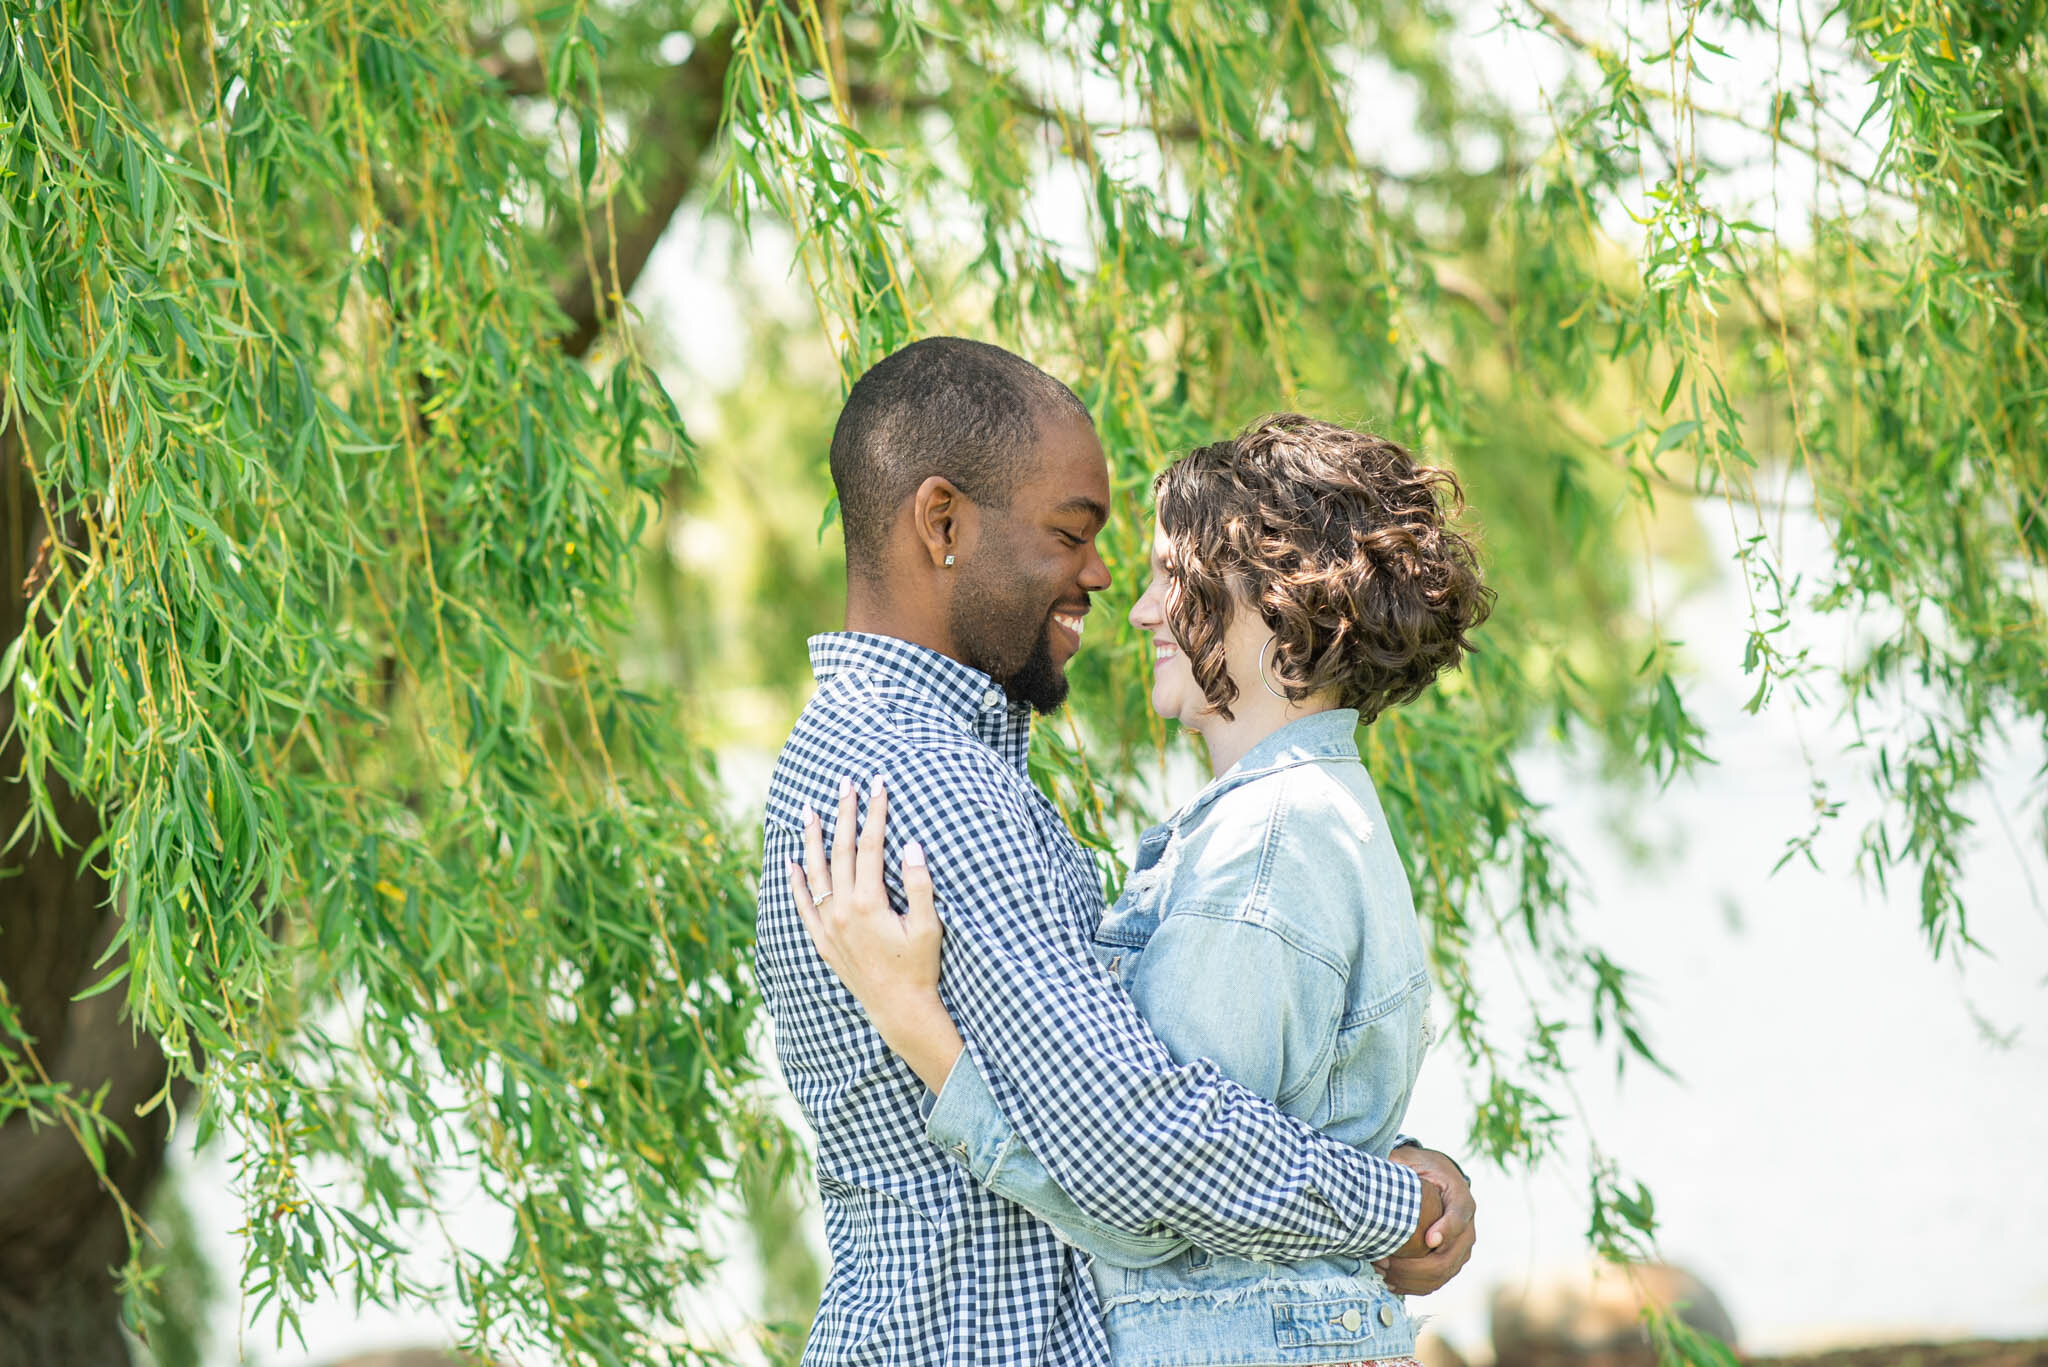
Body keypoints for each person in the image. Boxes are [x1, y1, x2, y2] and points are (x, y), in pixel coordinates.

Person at [753, 338, 1477, 1367]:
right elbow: (1139, 1144)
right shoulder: (926, 782)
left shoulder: (898, 756)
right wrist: (1394, 1202)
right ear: (942, 522)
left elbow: (1181, 1100)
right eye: (1070, 534)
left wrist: (1383, 1162)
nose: (1106, 580)